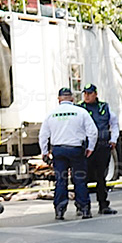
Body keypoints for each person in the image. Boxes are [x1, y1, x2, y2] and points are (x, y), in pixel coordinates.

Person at [39, 87, 98, 220]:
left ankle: (60, 210)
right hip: (76, 150)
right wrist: (90, 148)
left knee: (61, 181)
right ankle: (84, 209)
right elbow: (93, 132)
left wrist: (44, 152)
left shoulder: (51, 114)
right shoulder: (81, 112)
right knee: (80, 180)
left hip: (58, 151)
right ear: (72, 99)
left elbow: (43, 135)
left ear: (59, 99)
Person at [78, 83, 119, 215]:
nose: (87, 96)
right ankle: (82, 206)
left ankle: (103, 205)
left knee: (101, 177)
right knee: (82, 177)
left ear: (95, 94)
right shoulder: (79, 108)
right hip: (86, 147)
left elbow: (114, 123)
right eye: (85, 93)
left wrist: (113, 139)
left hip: (102, 146)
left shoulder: (104, 107)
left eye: (89, 93)